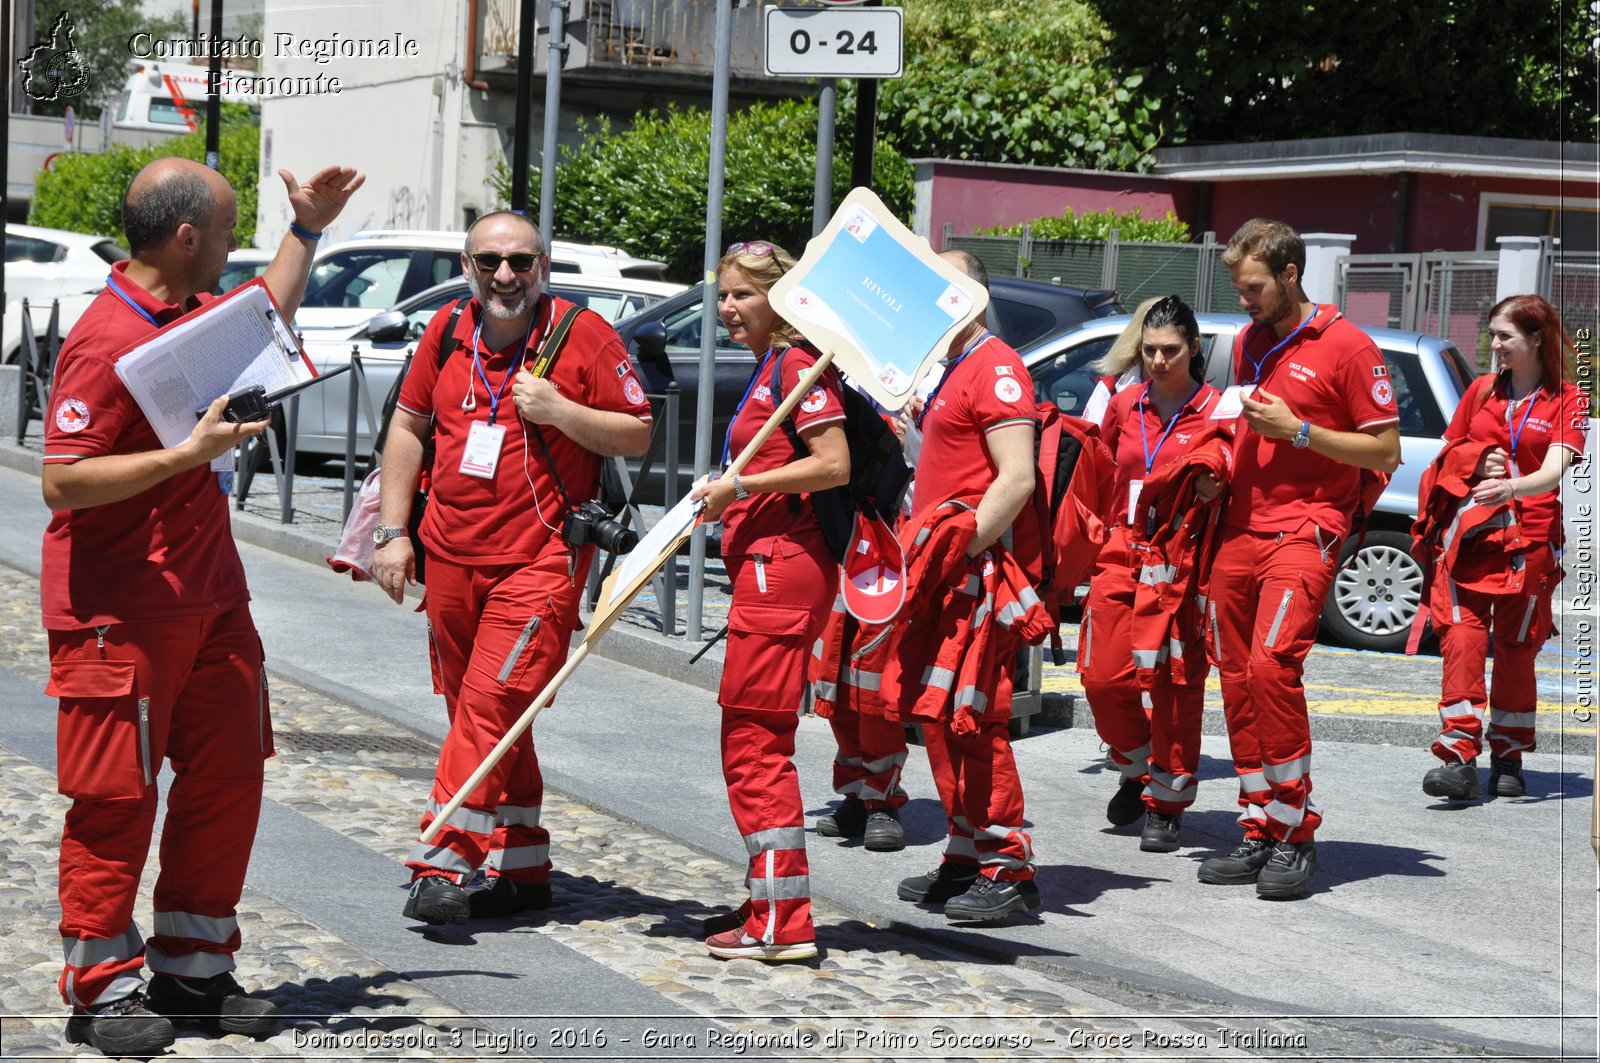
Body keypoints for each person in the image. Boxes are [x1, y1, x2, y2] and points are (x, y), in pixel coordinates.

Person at [41, 156, 363, 1057]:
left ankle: (194, 967)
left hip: (211, 601)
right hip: (122, 611)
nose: (232, 246)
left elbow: (272, 305)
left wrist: (309, 227)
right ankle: (100, 987)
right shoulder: (106, 337)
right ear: (186, 239)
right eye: (225, 231)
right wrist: (187, 455)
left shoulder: (186, 311)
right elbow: (65, 483)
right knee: (117, 799)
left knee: (227, 780)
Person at [374, 211, 652, 926]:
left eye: (521, 261)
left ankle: (445, 856)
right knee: (490, 715)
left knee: (491, 706)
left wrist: (560, 410)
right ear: (468, 266)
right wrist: (392, 531)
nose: (506, 274)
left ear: (543, 266)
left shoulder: (581, 333)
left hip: (538, 563)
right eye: (491, 260)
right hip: (450, 559)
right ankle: (523, 862)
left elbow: (638, 428)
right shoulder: (445, 331)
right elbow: (407, 428)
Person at [1198, 218, 1400, 899]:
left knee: (1270, 664)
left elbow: (1385, 451)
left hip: (1305, 531)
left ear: (1289, 275)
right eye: (1237, 286)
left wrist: (1302, 431)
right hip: (1238, 527)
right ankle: (1259, 822)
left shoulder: (1349, 346)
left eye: (1252, 286)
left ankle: (1296, 831)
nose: (1243, 299)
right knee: (1233, 674)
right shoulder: (1252, 338)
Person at [690, 240, 848, 961]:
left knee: (755, 744)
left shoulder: (796, 365)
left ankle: (785, 920)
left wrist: (739, 489)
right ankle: (772, 903)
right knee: (749, 742)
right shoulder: (771, 369)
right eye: (723, 294)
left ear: (778, 300)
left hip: (780, 575)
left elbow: (832, 463)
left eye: (743, 294)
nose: (728, 307)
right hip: (767, 570)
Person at [891, 249, 1043, 923]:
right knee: (937, 714)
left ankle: (1009, 865)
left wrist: (959, 551)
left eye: (941, 288)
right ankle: (965, 849)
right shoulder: (950, 367)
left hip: (971, 574)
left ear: (971, 297)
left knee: (975, 717)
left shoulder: (998, 366)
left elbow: (1017, 478)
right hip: (939, 570)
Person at [1420, 295, 1588, 801]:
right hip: (1474, 538)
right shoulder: (1478, 392)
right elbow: (1447, 453)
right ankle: (1459, 754)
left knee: (1517, 650)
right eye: (1491, 334)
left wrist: (1512, 487)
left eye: (1504, 337)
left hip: (1533, 541)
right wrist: (1476, 461)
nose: (1493, 346)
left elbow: (1556, 470)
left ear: (1536, 339)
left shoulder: (1570, 399)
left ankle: (1509, 753)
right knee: (1462, 640)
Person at [1078, 295, 1222, 851]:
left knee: (1175, 684)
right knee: (1102, 676)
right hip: (1123, 550)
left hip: (1184, 560)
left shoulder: (1216, 409)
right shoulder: (1123, 404)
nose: (1159, 360)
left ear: (1193, 350)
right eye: (1150, 350)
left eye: (1171, 351)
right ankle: (1137, 764)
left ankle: (1167, 801)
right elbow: (1100, 477)